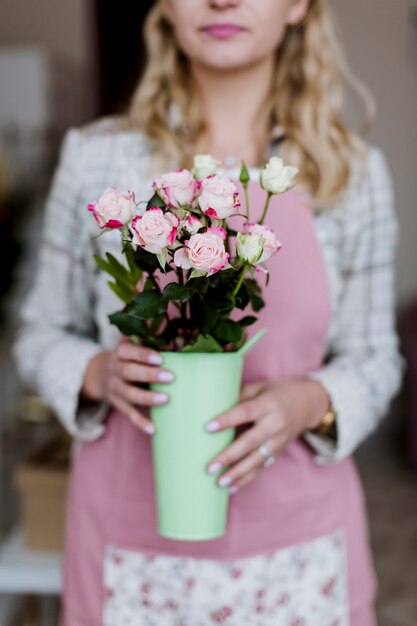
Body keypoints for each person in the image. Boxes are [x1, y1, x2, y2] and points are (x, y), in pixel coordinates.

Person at [14, 0, 406, 624]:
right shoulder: (96, 159)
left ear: (300, 6)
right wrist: (94, 372)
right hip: (129, 544)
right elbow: (38, 333)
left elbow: (375, 358)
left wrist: (310, 400)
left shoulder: (352, 175)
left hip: (301, 551)